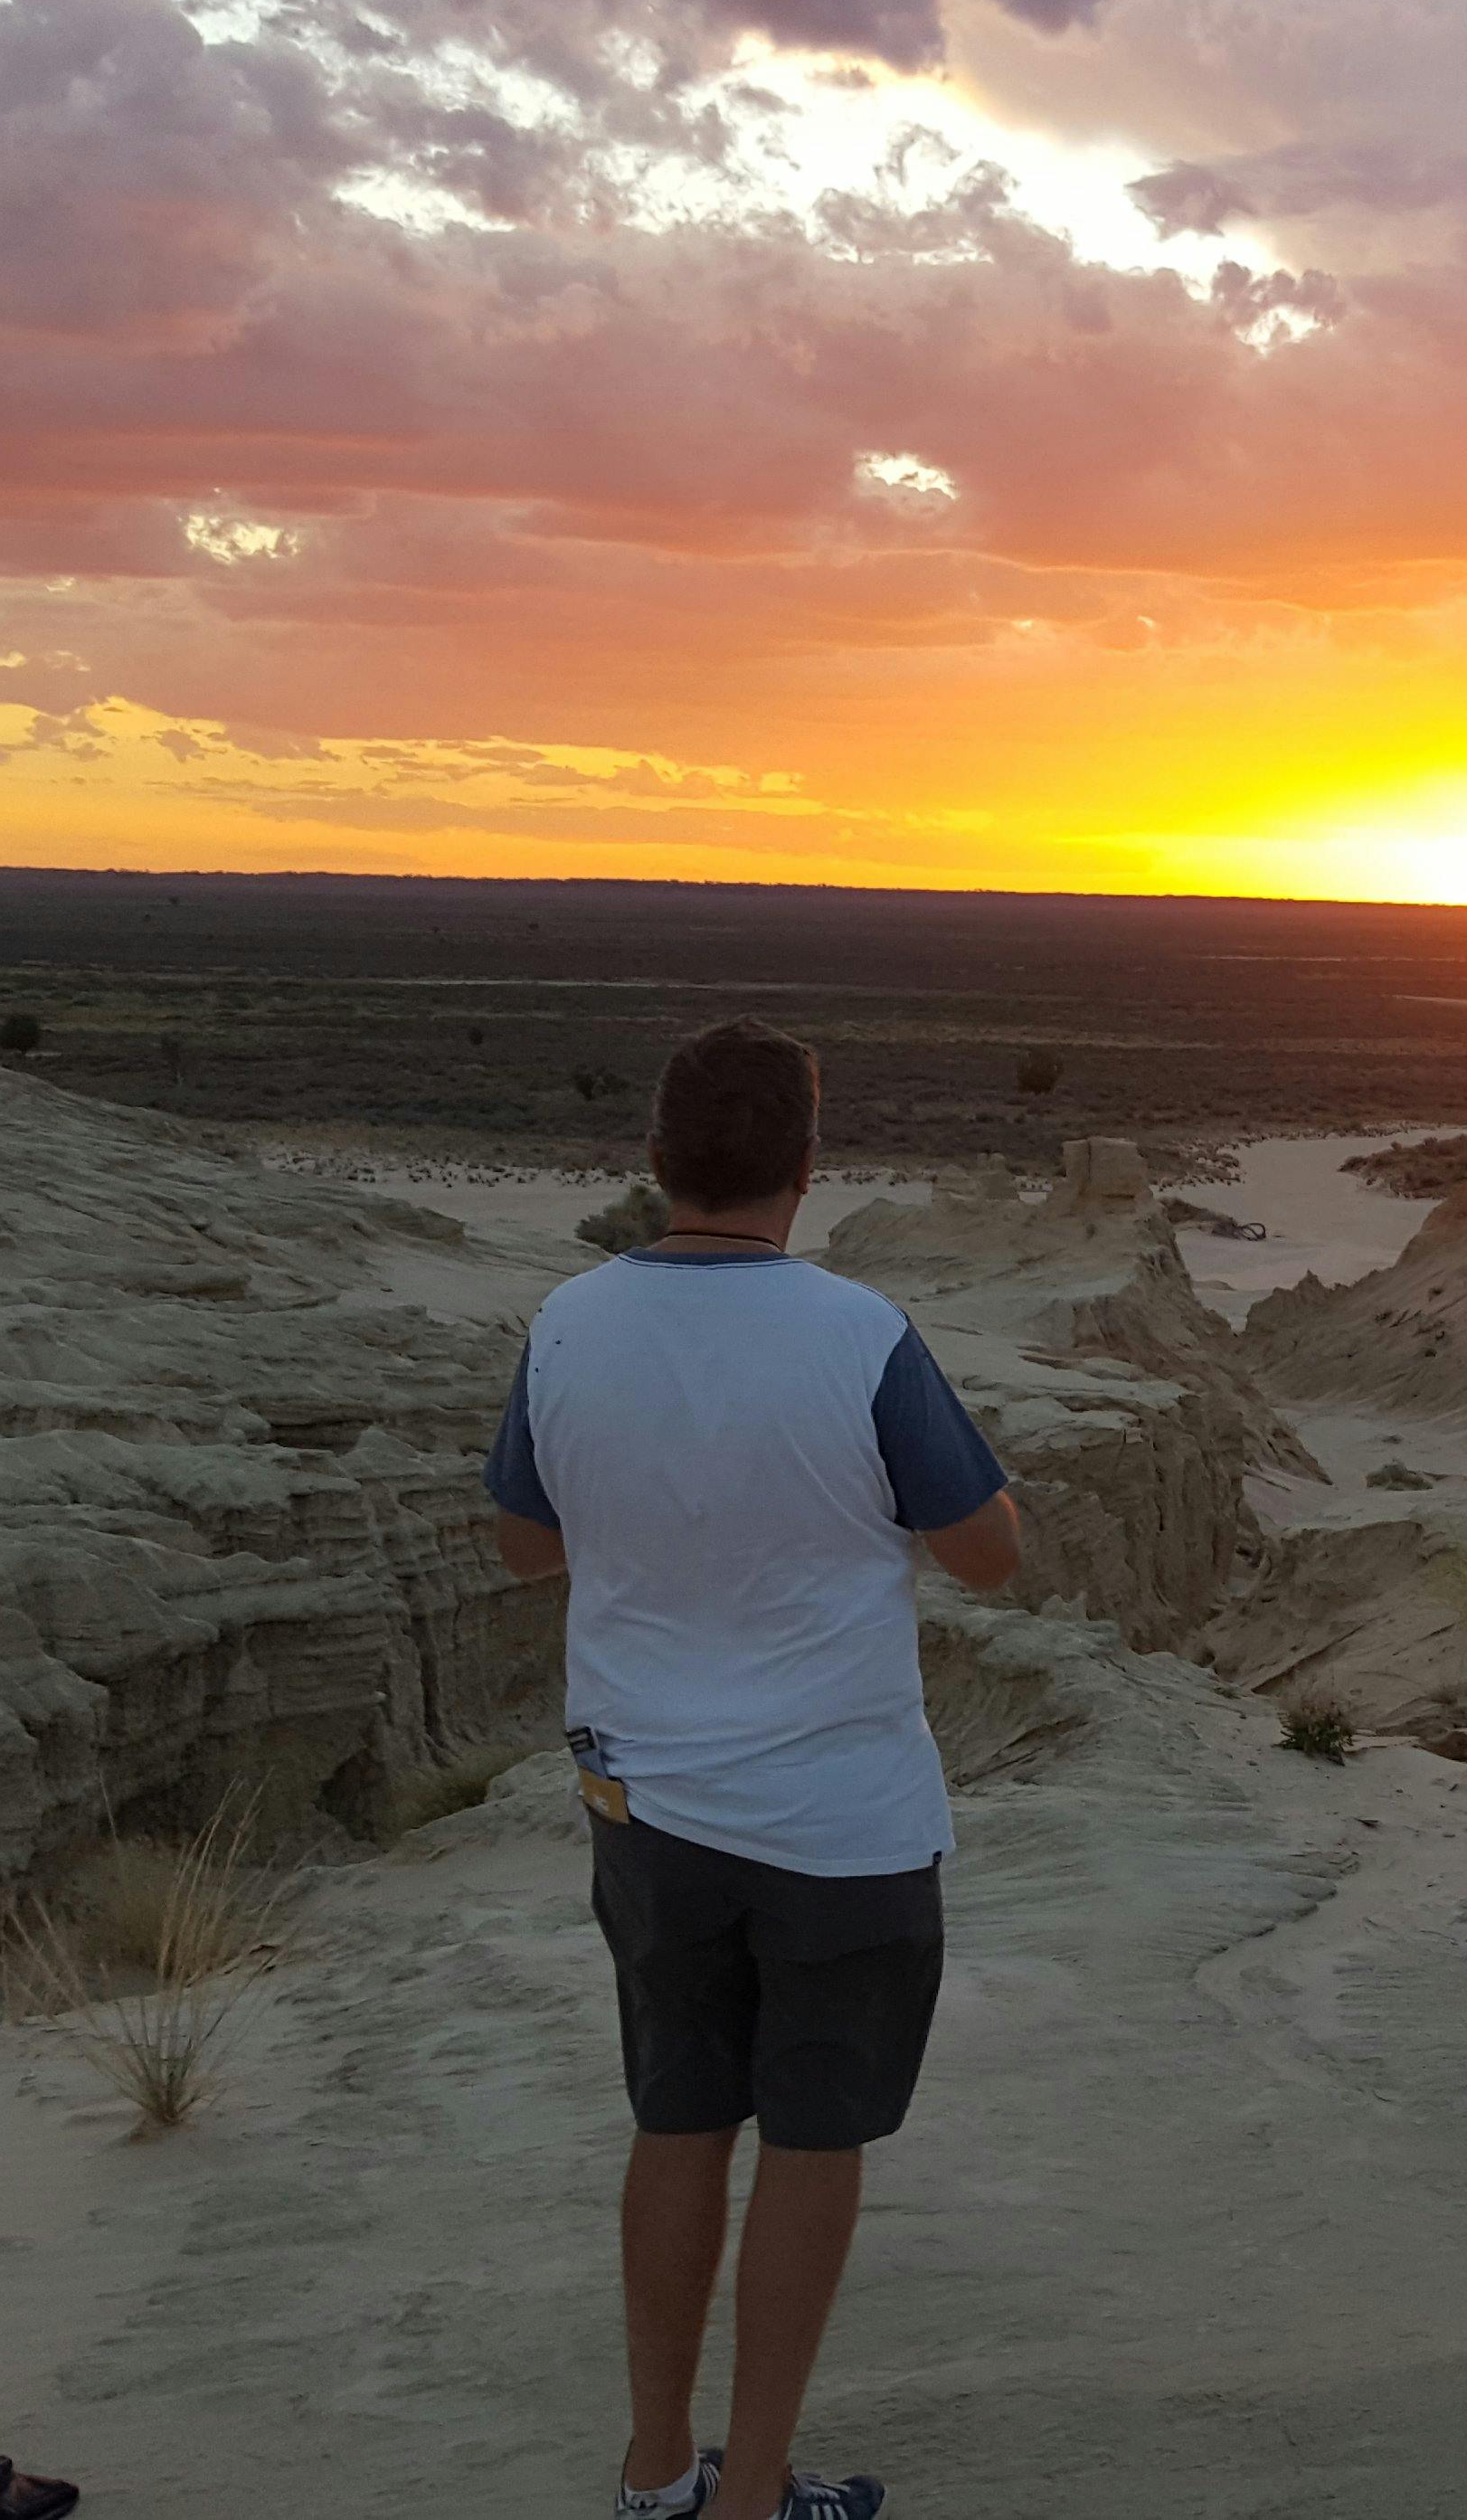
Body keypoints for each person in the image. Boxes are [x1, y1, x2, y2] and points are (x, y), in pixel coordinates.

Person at [488, 1019, 1026, 2520]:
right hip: (842, 1822)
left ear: (655, 1162)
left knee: (674, 2125)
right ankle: (758, 2495)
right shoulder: (858, 1333)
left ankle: (656, 2472)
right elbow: (987, 1557)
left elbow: (526, 1546)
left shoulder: (566, 1321)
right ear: (808, 1167)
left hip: (647, 1807)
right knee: (811, 2143)